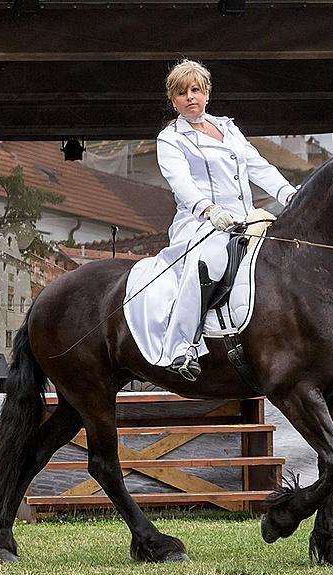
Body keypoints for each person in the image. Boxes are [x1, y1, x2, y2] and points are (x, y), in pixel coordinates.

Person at [125, 59, 297, 381]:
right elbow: (181, 184)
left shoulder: (228, 128)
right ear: (173, 100)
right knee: (210, 259)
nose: (190, 97)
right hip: (201, 221)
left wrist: (288, 194)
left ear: (206, 93)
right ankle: (183, 345)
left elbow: (258, 167)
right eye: (181, 93)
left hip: (247, 219)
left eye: (195, 90)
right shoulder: (170, 139)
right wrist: (208, 210)